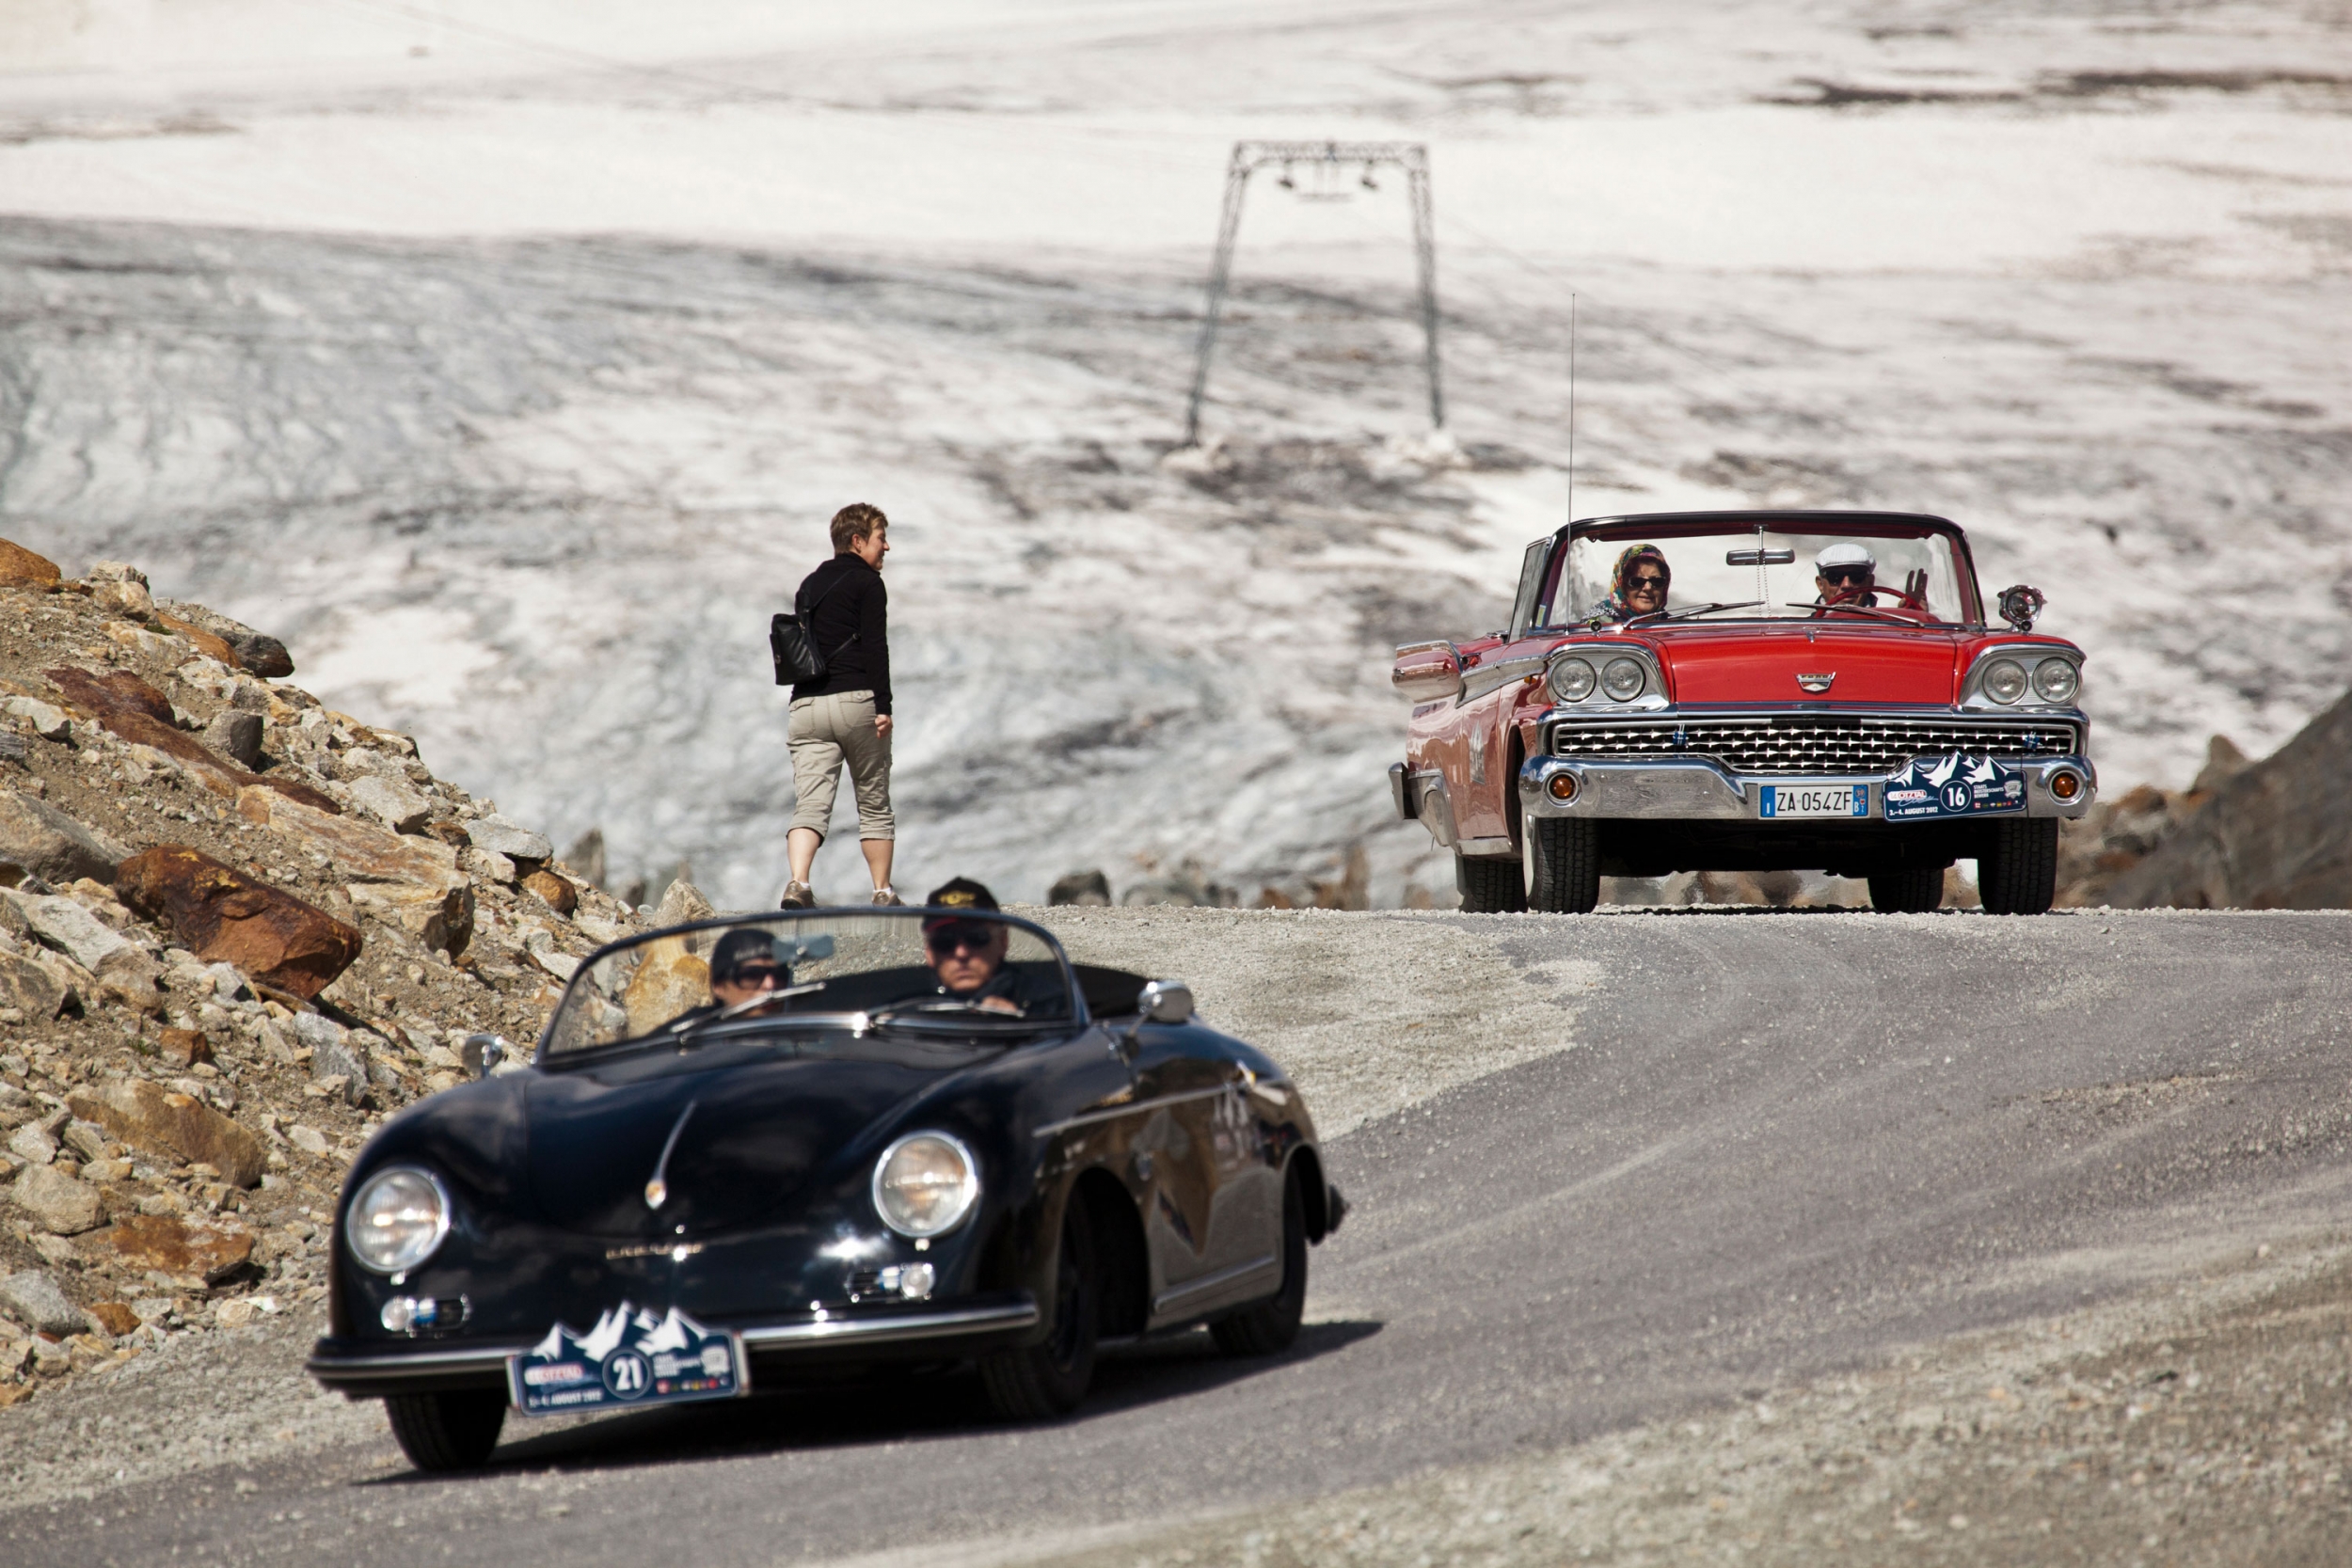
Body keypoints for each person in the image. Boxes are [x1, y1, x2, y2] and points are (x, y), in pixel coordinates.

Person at [783, 503, 898, 909]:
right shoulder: (868, 584)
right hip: (856, 703)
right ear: (857, 541)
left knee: (810, 805)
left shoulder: (809, 585)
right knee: (873, 801)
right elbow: (874, 646)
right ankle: (882, 891)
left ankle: (798, 883)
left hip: (807, 707)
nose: (887, 546)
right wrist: (882, 704)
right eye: (881, 537)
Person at [920, 877, 1047, 1016]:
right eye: (944, 941)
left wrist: (1021, 1025)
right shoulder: (905, 1007)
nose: (961, 953)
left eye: (977, 937)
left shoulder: (1048, 1004)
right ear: (929, 952)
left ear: (1003, 941)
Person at [1590, 544, 1671, 623]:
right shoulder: (1597, 627)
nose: (1648, 587)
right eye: (1637, 581)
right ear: (1621, 585)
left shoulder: (1676, 626)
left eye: (1657, 581)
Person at [1813, 542, 1879, 609]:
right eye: (1835, 577)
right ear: (1820, 584)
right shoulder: (1805, 619)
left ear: (1870, 583)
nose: (1846, 585)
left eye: (1857, 576)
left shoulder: (1887, 618)